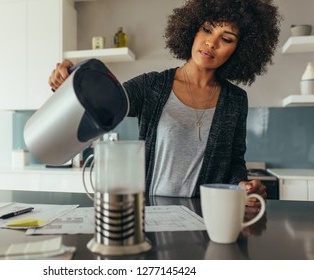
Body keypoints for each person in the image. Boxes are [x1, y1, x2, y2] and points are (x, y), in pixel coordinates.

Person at [48, 0, 282, 207]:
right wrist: (69, 83)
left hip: (206, 216)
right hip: (151, 214)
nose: (211, 43)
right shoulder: (152, 85)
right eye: (207, 29)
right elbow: (105, 102)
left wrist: (243, 186)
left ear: (240, 49)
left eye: (226, 38)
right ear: (193, 29)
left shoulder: (235, 100)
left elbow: (234, 163)